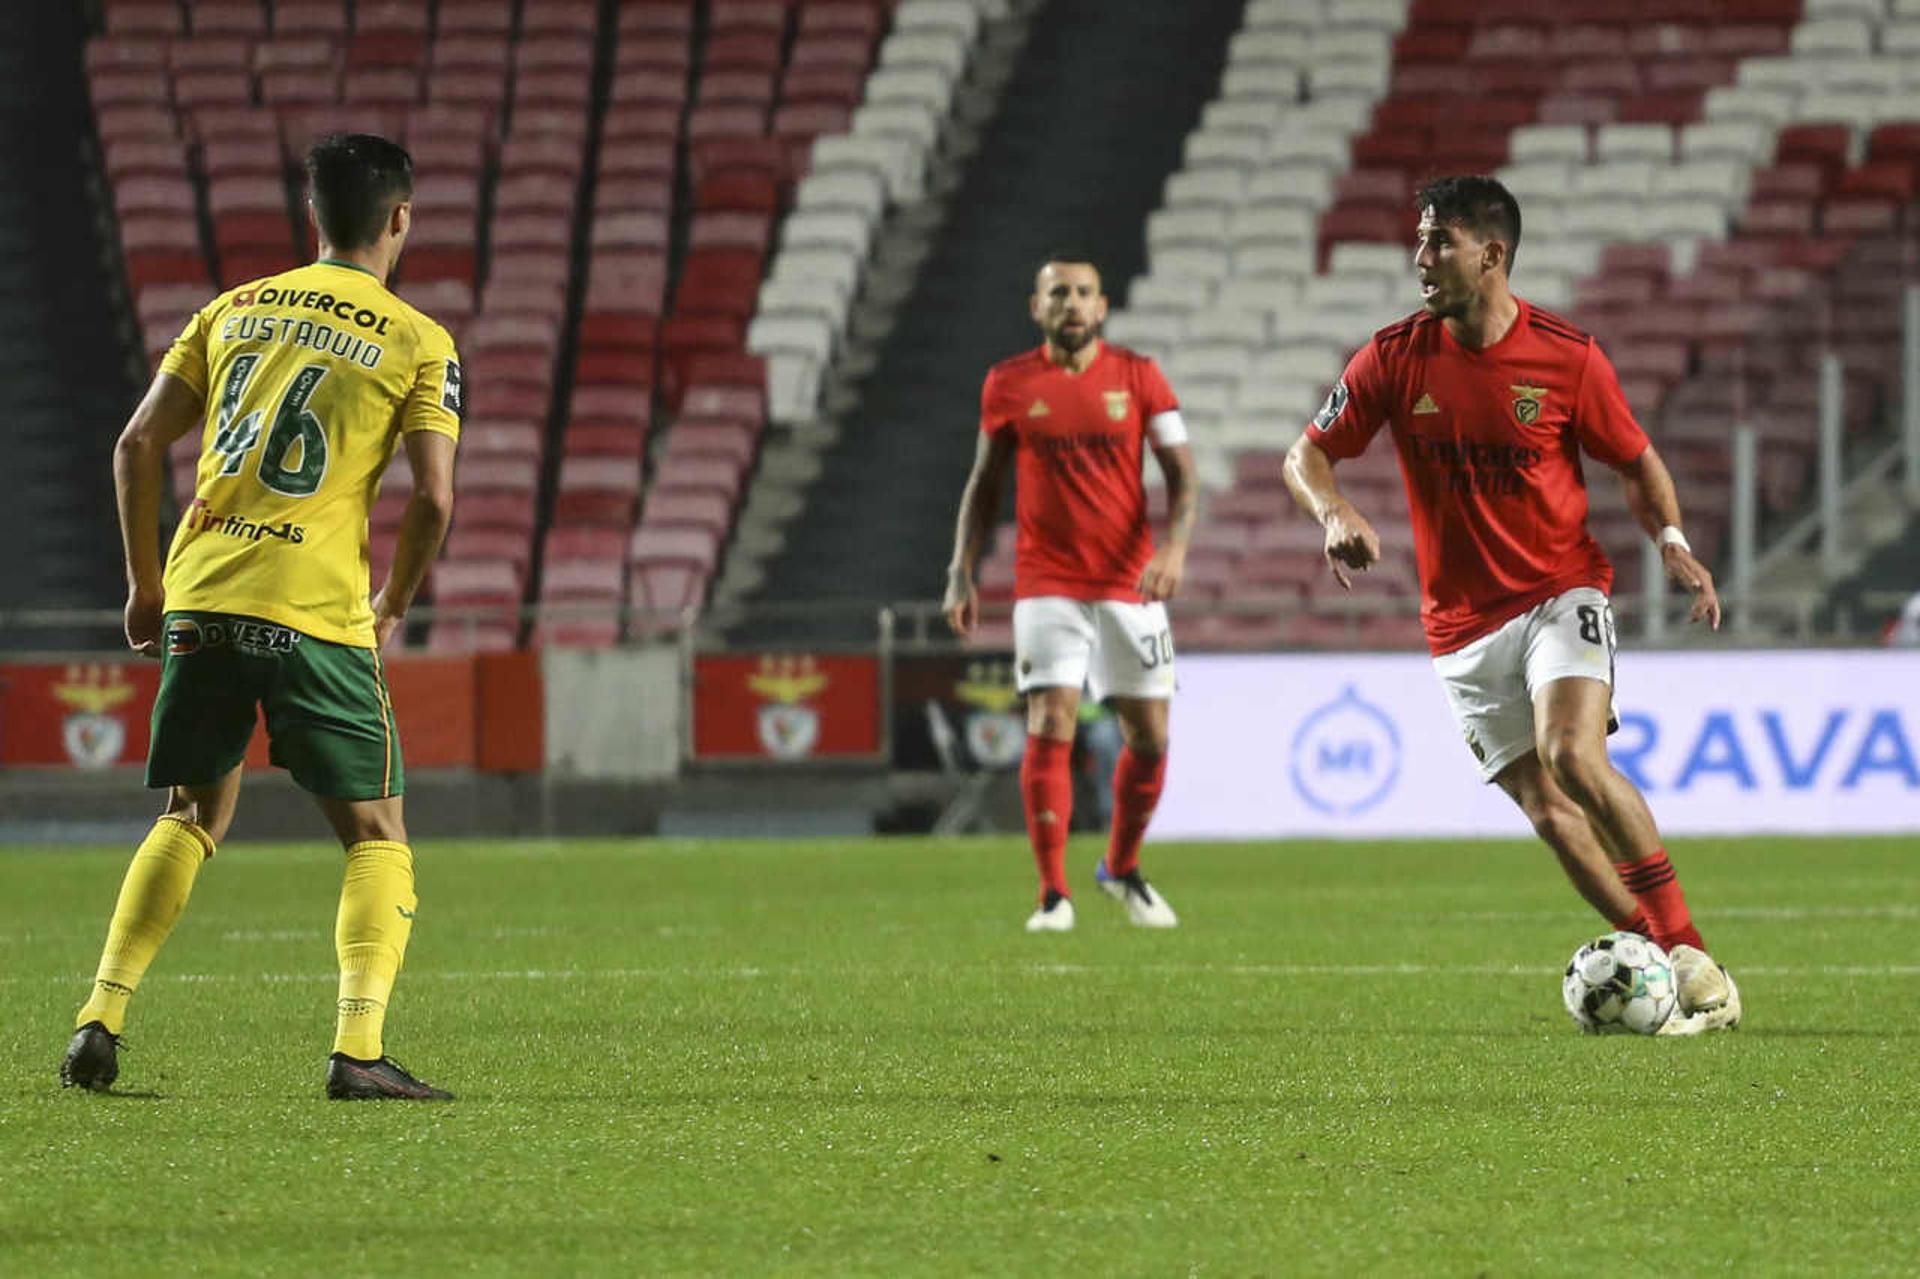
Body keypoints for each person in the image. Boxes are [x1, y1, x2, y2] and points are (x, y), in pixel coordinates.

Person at [1282, 175, 1741, 1034]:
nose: (1420, 259)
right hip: (1458, 625)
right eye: (1419, 241)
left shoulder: (1567, 356)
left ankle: (1690, 951)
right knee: (1547, 811)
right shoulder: (1390, 356)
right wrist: (1334, 509)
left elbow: (1636, 462)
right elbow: (1305, 457)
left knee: (1570, 752)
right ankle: (1656, 960)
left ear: (1491, 254)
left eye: (1438, 242)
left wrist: (1673, 542)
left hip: (1559, 589)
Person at [61, 134, 464, 1096]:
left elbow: (135, 445)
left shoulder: (229, 310)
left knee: (193, 811)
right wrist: (395, 602)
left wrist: (146, 584)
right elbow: (436, 499)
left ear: (313, 216)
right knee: (376, 831)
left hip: (203, 592)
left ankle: (99, 1022)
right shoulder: (417, 339)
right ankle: (358, 1051)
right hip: (315, 610)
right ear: (399, 217)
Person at [944, 253, 1198, 933]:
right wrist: (960, 570)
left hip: (1129, 578)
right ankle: (1054, 893)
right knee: (1050, 722)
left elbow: (1182, 474)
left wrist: (1174, 547)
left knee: (1149, 735)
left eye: (1084, 292)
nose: (1072, 304)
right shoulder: (1009, 383)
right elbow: (985, 483)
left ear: (1102, 306)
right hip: (1046, 580)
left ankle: (1120, 866)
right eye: (1059, 294)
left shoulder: (1139, 376)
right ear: (1038, 308)